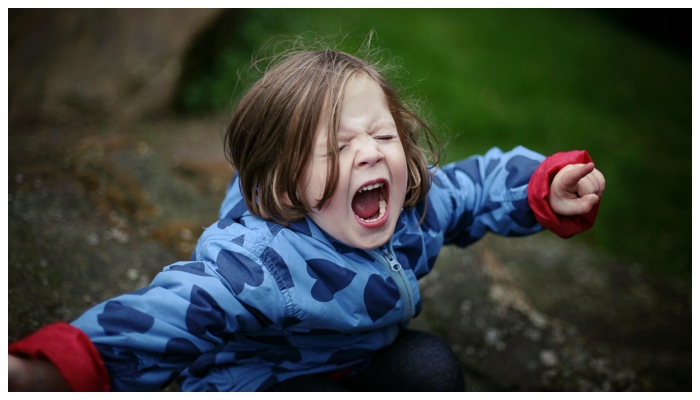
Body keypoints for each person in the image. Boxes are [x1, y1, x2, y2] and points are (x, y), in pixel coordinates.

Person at [8, 47, 605, 392]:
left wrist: (545, 186)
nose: (369, 152)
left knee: (431, 367)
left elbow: (471, 189)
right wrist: (51, 369)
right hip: (267, 385)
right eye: (334, 149)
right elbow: (165, 314)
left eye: (381, 134)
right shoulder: (261, 262)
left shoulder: (413, 204)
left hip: (358, 362)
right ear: (281, 183)